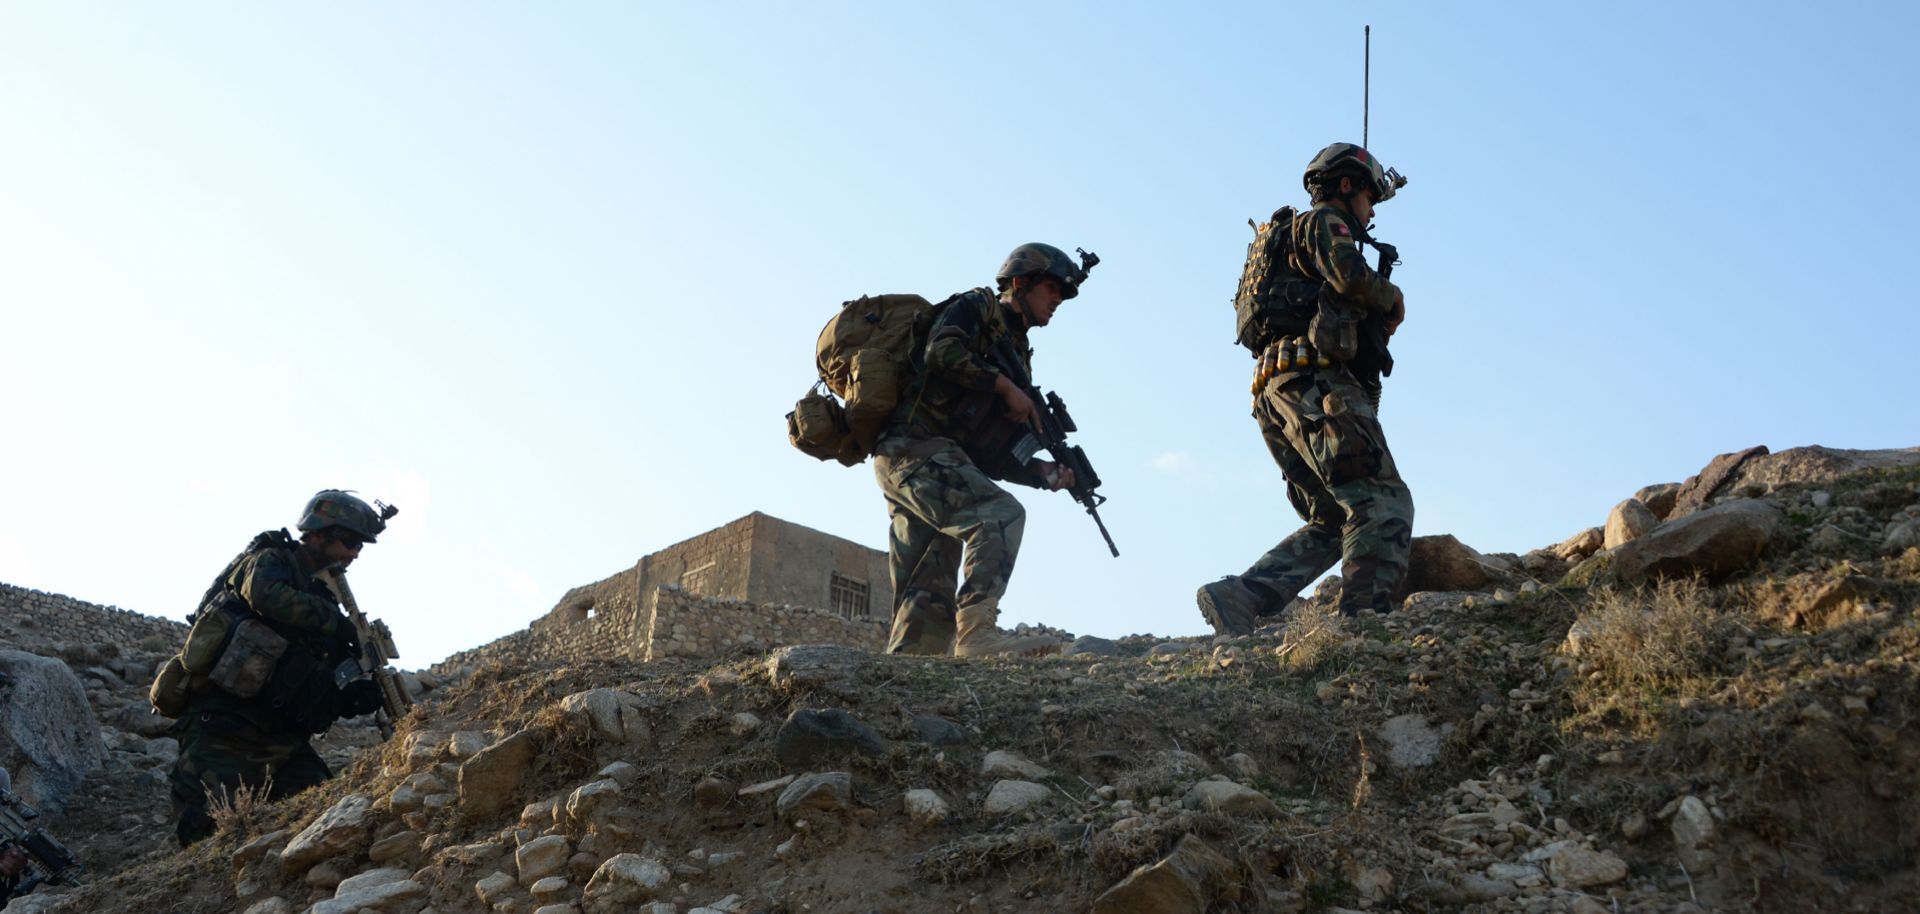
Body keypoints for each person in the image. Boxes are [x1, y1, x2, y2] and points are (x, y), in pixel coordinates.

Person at [1198, 143, 1415, 634]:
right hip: (1317, 385)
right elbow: (1348, 274)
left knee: (1335, 520)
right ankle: (1365, 624)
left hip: (1276, 393)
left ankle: (1243, 596)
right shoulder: (1324, 221)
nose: (1372, 209)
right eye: (1369, 197)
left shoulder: (1290, 239)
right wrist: (1391, 298)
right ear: (1345, 186)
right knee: (1380, 501)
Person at [873, 243, 1092, 657]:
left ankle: (911, 678)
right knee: (1000, 514)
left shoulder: (1017, 356)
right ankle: (977, 635)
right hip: (912, 448)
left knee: (929, 583)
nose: (1057, 300)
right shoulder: (978, 308)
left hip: (931, 460)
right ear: (1020, 282)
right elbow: (940, 351)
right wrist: (1005, 387)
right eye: (1051, 289)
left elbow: (989, 453)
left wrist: (1043, 472)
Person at [168, 490, 390, 846]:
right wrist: (333, 621)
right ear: (317, 533)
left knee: (328, 822)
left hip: (282, 743)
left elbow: (308, 677)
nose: (353, 553)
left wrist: (347, 698)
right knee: (204, 837)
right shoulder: (270, 561)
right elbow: (264, 595)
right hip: (226, 730)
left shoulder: (320, 597)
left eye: (359, 545)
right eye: (348, 541)